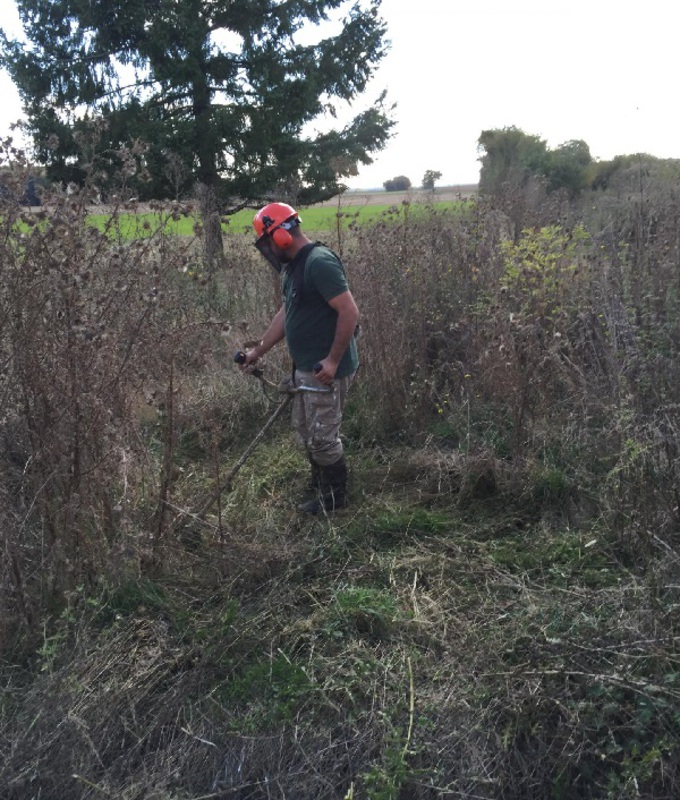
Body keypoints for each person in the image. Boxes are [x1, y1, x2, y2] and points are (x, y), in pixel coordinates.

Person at [243, 202, 359, 514]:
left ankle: (335, 499)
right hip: (305, 366)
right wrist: (257, 351)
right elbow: (287, 312)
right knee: (306, 430)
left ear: (280, 236)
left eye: (267, 242)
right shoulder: (293, 267)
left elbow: (349, 312)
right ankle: (320, 483)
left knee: (322, 436)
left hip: (325, 369)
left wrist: (333, 362)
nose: (268, 249)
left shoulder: (319, 262)